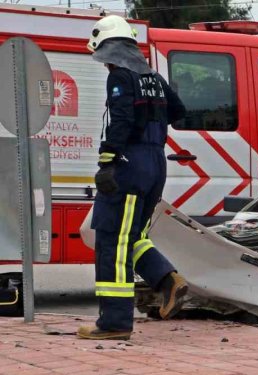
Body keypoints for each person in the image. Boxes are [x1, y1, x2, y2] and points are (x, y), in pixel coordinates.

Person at [77, 15, 188, 341]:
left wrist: (107, 163)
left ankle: (114, 323)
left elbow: (121, 120)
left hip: (130, 166)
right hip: (155, 165)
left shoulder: (121, 78)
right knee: (133, 235)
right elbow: (178, 109)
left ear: (108, 49)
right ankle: (166, 280)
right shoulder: (152, 77)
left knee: (112, 240)